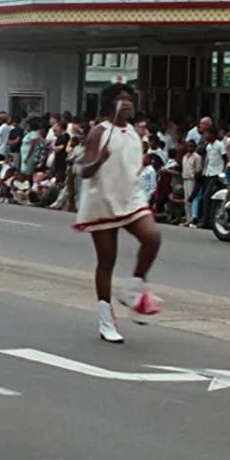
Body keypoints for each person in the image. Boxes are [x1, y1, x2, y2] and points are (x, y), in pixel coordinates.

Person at [74, 84, 162, 343]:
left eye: (129, 99)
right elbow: (84, 171)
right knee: (107, 261)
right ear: (109, 103)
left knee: (152, 237)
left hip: (130, 198)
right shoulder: (99, 131)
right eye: (119, 99)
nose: (126, 103)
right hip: (101, 201)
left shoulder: (134, 133)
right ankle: (105, 319)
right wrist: (98, 160)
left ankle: (134, 289)